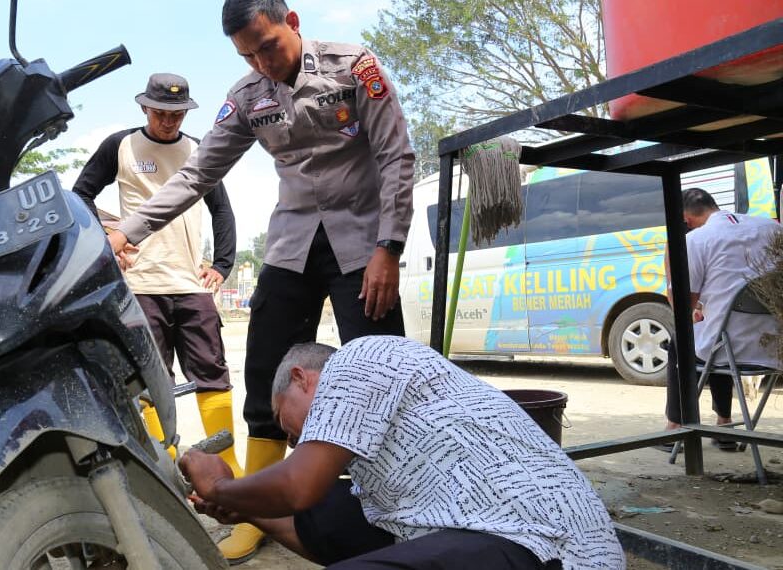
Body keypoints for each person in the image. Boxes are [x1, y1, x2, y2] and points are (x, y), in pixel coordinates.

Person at [106, 1, 415, 560]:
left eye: (267, 46)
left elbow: (396, 156)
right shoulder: (247, 96)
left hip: (362, 245)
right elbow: (200, 173)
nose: (261, 62)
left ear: (292, 22)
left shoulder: (354, 67)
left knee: (382, 369)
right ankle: (260, 508)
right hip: (293, 245)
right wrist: (128, 231)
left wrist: (388, 248)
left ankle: (405, 497)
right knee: (266, 371)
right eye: (247, 55)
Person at [180, 336, 626, 569]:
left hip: (550, 546)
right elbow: (318, 524)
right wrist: (244, 507)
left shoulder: (358, 359)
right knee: (331, 509)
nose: (294, 440)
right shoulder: (379, 462)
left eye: (285, 421)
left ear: (302, 378)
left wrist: (223, 485)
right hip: (479, 531)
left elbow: (297, 485)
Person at [72, 72, 243, 476]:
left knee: (212, 373)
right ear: (145, 107)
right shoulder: (121, 146)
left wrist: (221, 264)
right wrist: (109, 238)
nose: (169, 120)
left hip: (191, 285)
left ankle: (227, 464)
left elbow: (221, 209)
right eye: (162, 112)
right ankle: (164, 466)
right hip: (142, 286)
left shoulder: (199, 150)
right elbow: (80, 194)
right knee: (150, 379)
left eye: (178, 113)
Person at [660, 188, 783, 450]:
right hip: (775, 346)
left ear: (686, 220)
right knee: (716, 333)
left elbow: (682, 308)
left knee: (686, 339)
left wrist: (670, 258)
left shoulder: (697, 240)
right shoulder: (772, 229)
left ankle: (674, 429)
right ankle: (724, 425)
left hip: (730, 348)